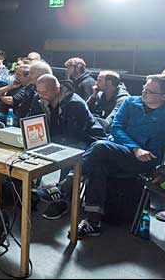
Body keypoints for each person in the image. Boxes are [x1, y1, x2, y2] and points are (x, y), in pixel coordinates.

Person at [62, 74, 165, 239]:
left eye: (149, 91)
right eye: (144, 88)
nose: (143, 92)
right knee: (99, 163)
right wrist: (135, 148)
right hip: (121, 152)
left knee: (100, 148)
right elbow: (116, 128)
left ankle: (66, 185)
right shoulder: (130, 102)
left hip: (145, 161)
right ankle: (93, 221)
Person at [29, 74, 107, 220]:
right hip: (59, 139)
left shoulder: (74, 103)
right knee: (29, 152)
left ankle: (62, 200)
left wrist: (51, 144)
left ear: (57, 89)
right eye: (38, 91)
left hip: (87, 141)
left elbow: (74, 136)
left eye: (44, 92)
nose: (40, 95)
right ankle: (27, 193)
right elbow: (30, 120)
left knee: (67, 157)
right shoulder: (39, 99)